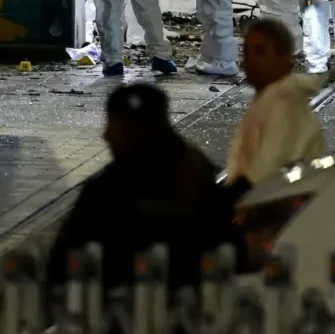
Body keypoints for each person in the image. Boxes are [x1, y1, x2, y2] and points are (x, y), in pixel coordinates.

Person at [46, 83, 240, 290]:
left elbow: (60, 265)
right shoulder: (199, 176)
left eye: (112, 125)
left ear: (129, 131)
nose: (106, 135)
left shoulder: (106, 193)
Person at [225, 19, 326, 191]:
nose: (249, 62)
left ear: (284, 57)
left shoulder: (283, 104)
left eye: (260, 52)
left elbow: (262, 174)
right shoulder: (274, 98)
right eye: (246, 52)